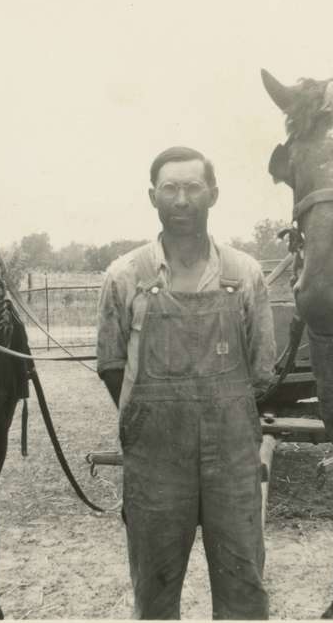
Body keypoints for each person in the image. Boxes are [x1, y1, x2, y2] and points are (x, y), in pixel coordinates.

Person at [96, 145, 276, 619]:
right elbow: (112, 365)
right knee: (154, 591)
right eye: (170, 189)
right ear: (152, 195)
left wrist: (219, 417)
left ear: (212, 194)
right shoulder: (124, 276)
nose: (181, 200)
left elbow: (261, 371)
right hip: (155, 461)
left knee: (243, 587)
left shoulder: (245, 275)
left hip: (232, 459)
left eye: (193, 187)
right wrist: (150, 421)